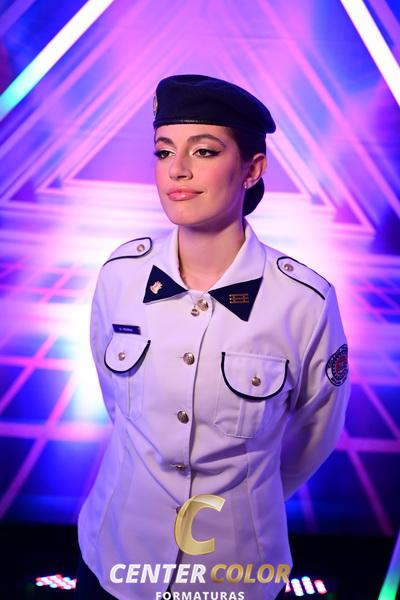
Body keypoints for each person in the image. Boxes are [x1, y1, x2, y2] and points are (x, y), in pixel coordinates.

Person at [76, 74, 350, 600]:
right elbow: (120, 408)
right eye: (163, 151)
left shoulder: (304, 302)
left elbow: (314, 437)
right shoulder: (120, 275)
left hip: (235, 573)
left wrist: (247, 494)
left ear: (252, 169)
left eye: (203, 151)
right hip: (116, 559)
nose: (177, 169)